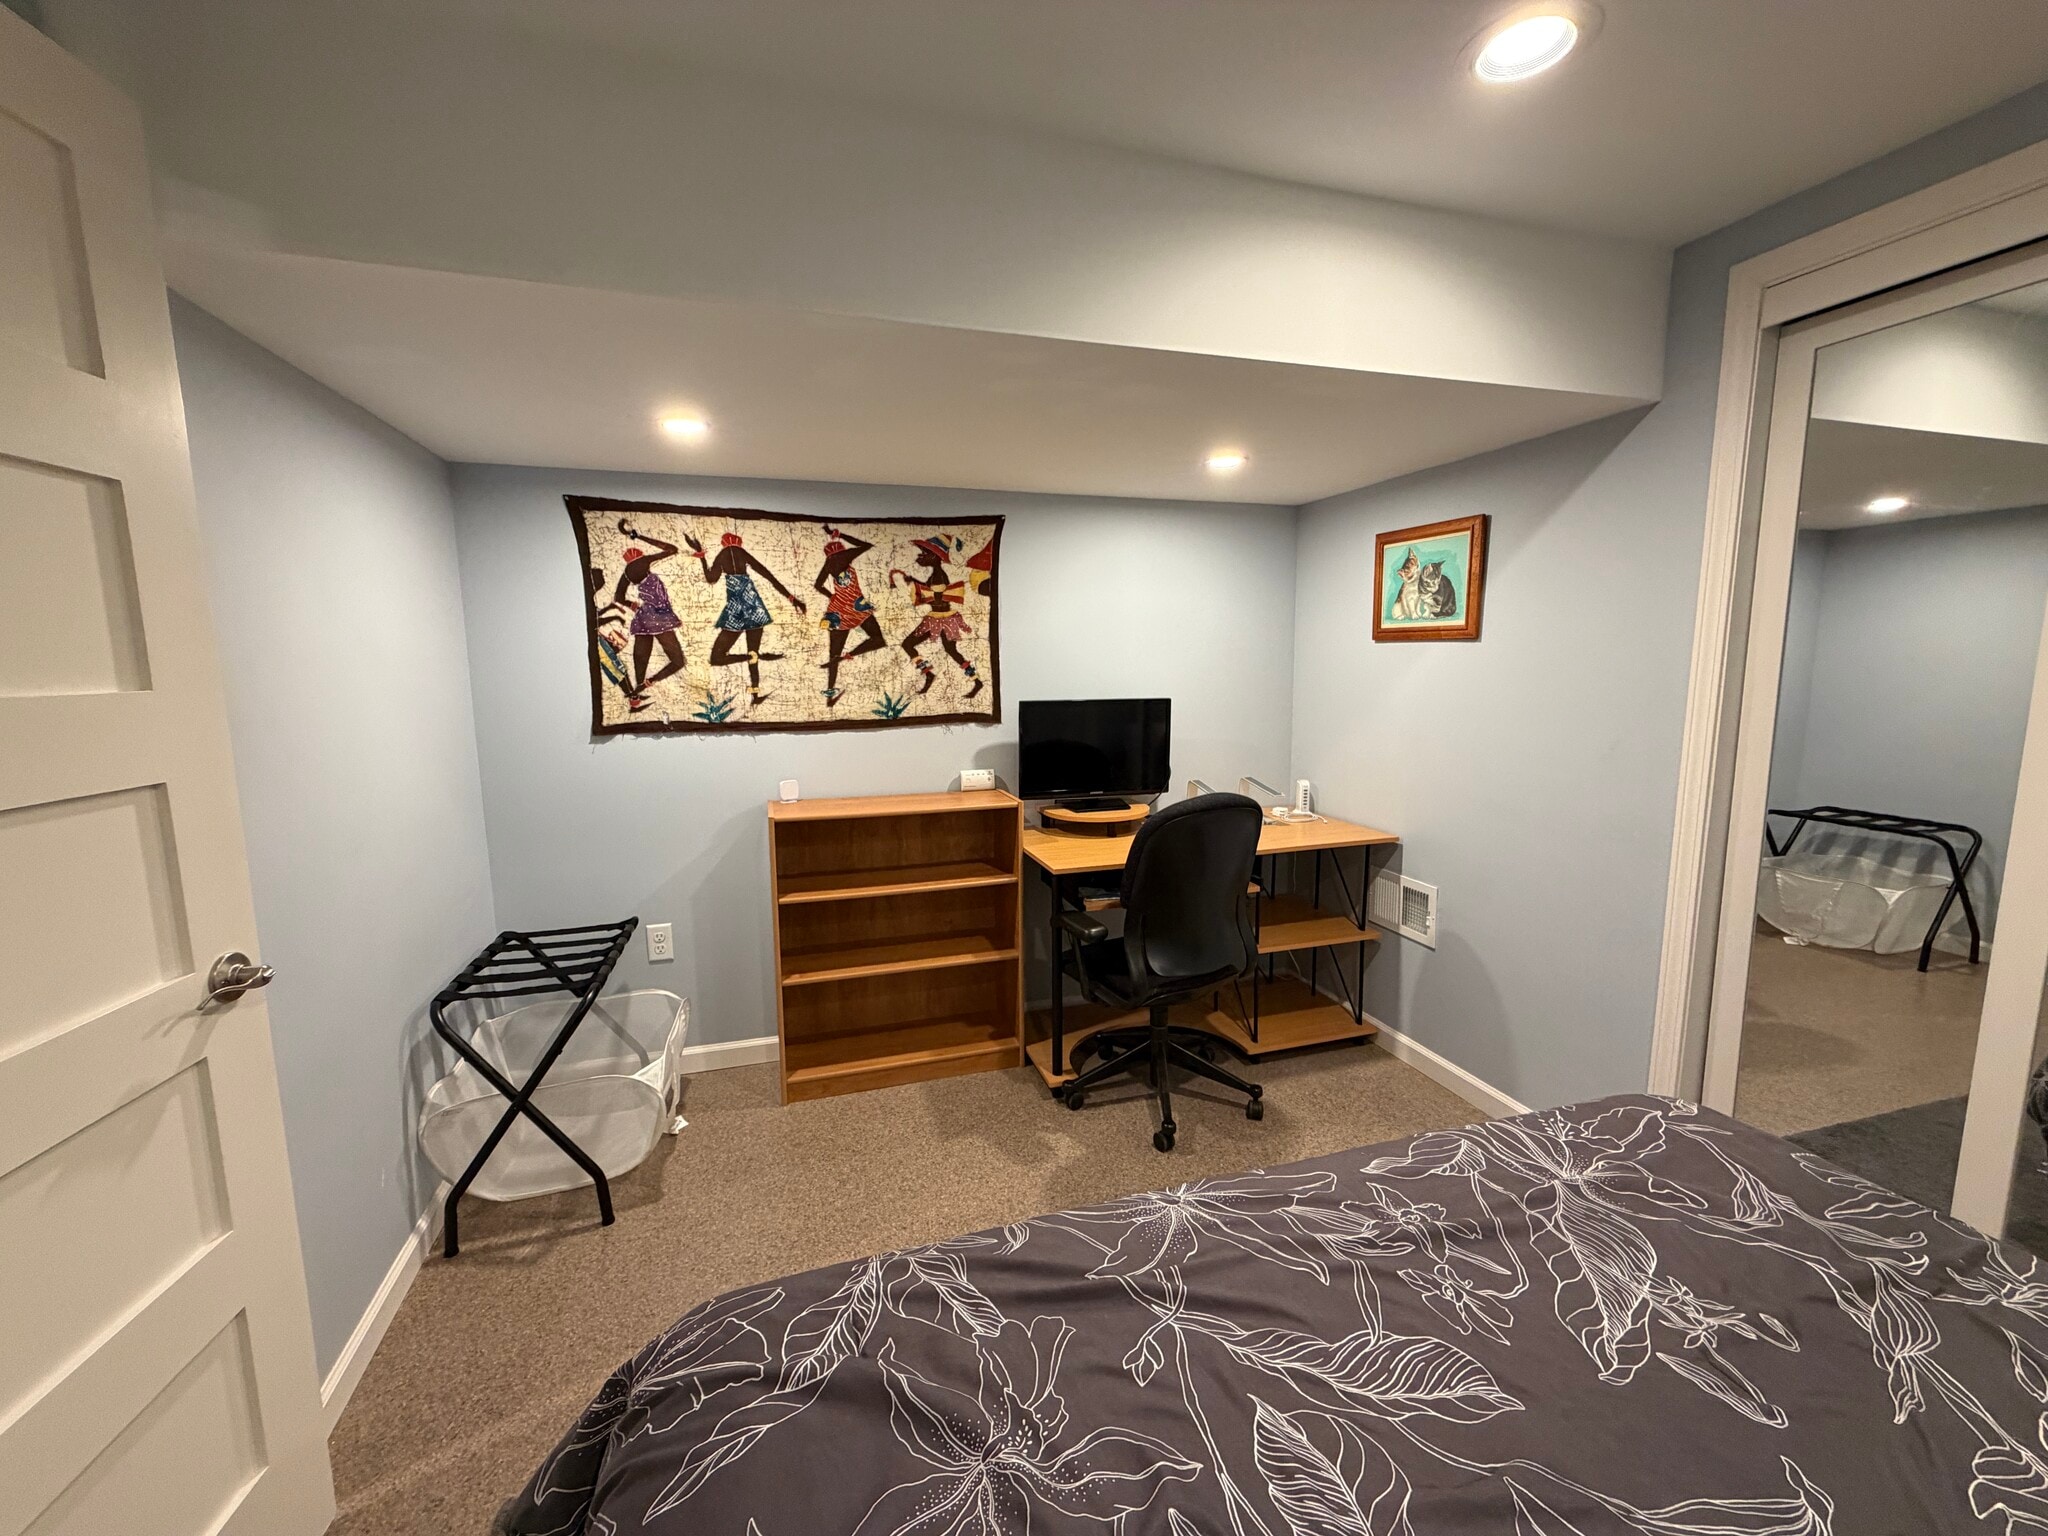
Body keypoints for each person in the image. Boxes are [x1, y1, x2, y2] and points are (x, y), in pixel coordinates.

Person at [688, 527, 807, 705]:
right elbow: (768, 575)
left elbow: (711, 578)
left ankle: (752, 660)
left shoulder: (722, 555)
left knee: (716, 657)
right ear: (737, 542)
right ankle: (756, 690)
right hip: (752, 603)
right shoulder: (741, 552)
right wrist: (792, 598)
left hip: (736, 607)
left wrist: (702, 556)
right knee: (752, 650)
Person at [889, 536, 983, 699]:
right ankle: (972, 681)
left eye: (926, 553)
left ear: (936, 557)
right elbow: (932, 592)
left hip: (941, 620)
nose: (921, 556)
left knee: (910, 644)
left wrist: (918, 589)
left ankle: (933, 674)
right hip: (939, 619)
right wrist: (914, 582)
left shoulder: (938, 574)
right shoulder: (936, 574)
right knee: (949, 650)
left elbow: (936, 596)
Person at [610, 522, 688, 710]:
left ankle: (635, 697)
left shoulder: (627, 573)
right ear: (639, 557)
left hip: (643, 617)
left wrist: (633, 605)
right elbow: (672, 549)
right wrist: (639, 536)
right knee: (678, 661)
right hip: (659, 618)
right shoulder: (643, 562)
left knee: (641, 658)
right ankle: (649, 682)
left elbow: (618, 597)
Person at [811, 525, 888, 706]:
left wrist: (832, 596)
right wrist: (839, 534)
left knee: (833, 652)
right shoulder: (845, 557)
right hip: (856, 606)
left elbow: (817, 585)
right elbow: (865, 545)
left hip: (837, 610)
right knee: (878, 639)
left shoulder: (829, 564)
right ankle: (849, 655)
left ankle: (830, 696)